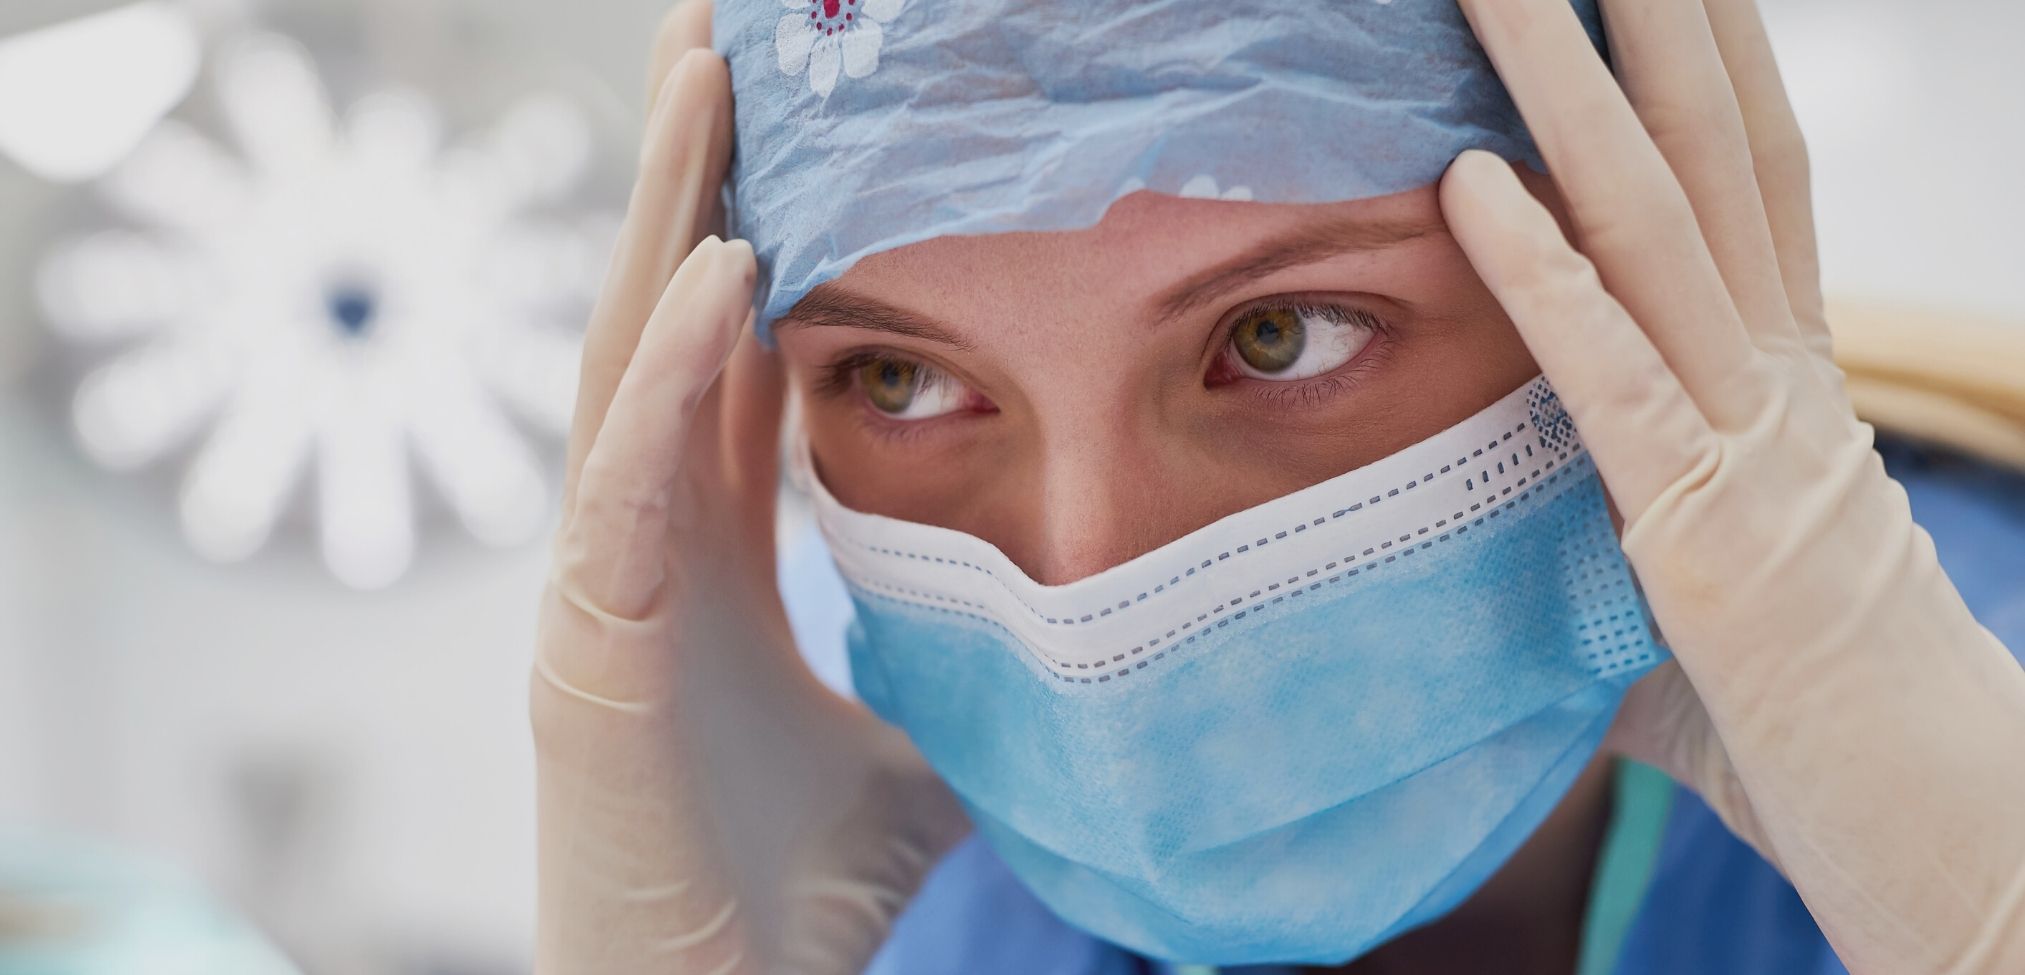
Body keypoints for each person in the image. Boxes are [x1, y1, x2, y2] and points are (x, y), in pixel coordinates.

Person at [527, 1, 2025, 973]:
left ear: (1618, 269)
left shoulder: (1971, 716)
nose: (1088, 592)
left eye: (1274, 334)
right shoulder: (795, 793)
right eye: (900, 380)